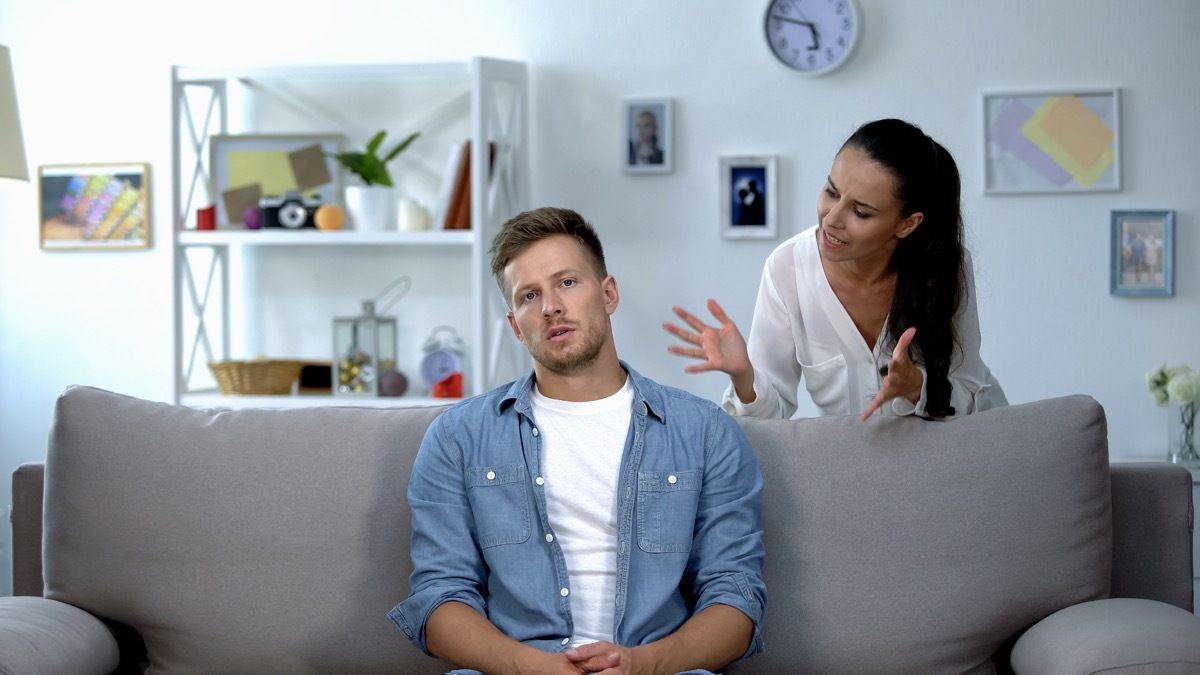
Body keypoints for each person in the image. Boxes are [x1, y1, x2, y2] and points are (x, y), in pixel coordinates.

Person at [390, 207, 766, 675]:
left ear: (608, 294)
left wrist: (641, 665)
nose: (550, 306)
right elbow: (439, 597)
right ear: (515, 325)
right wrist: (530, 666)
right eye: (530, 295)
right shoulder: (457, 437)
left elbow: (736, 596)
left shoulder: (706, 433)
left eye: (567, 282)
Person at [664, 118, 1006, 421]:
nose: (831, 218)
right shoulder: (787, 270)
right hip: (859, 465)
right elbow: (771, 415)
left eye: (860, 211)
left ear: (907, 224)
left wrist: (918, 388)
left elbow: (970, 394)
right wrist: (744, 378)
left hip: (968, 450)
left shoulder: (945, 264)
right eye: (831, 191)